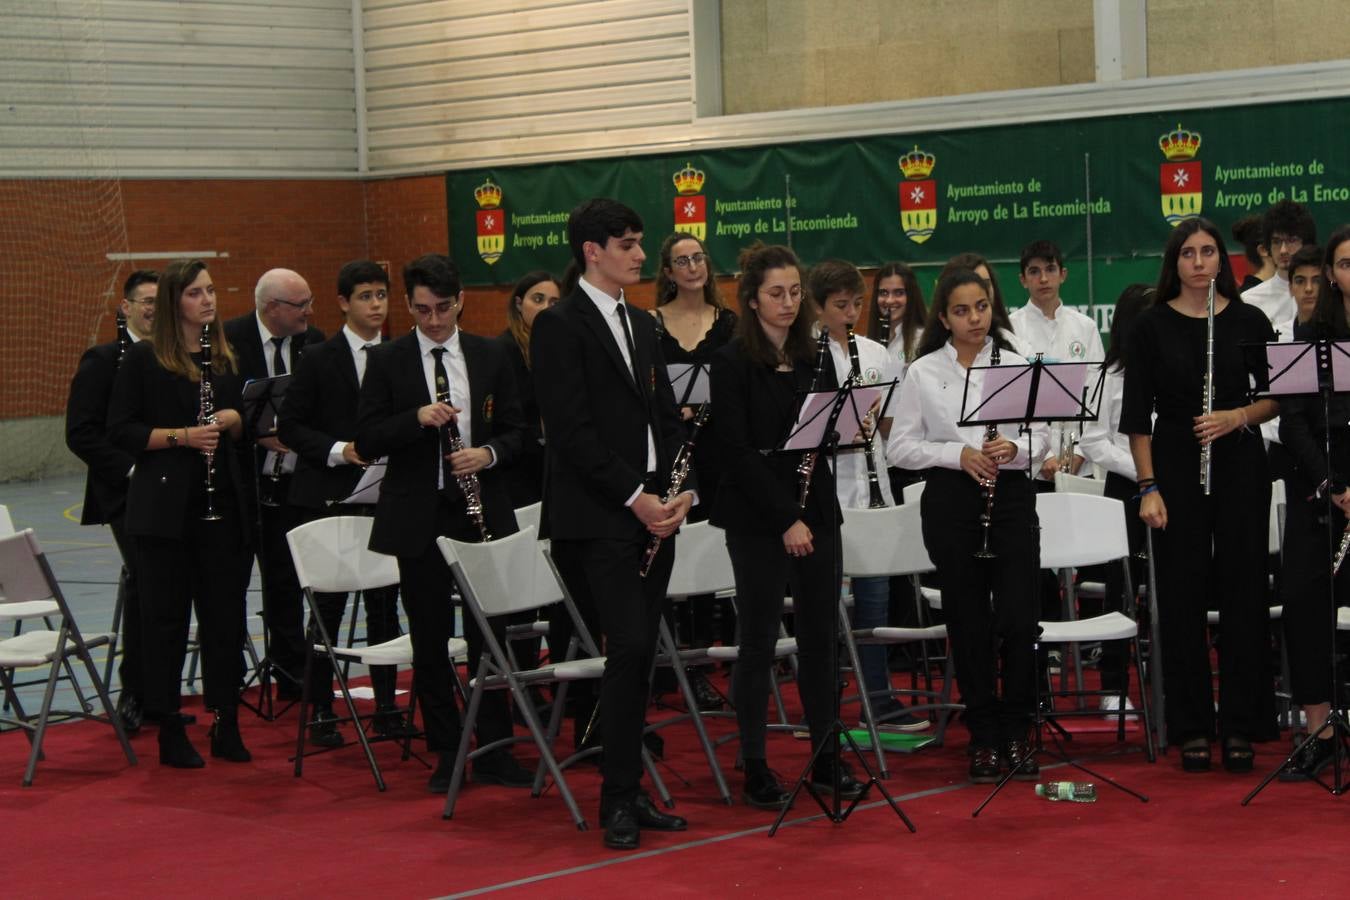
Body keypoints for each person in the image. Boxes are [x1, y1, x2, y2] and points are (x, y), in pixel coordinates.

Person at [530, 199, 693, 851]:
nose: (636, 252)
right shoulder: (559, 325)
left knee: (641, 652)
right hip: (599, 516)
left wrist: (680, 491)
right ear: (591, 250)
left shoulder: (643, 324)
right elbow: (570, 432)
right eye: (626, 243)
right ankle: (617, 799)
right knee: (626, 647)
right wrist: (636, 497)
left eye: (637, 241)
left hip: (653, 511)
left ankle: (630, 787)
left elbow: (669, 418)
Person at [355, 253, 533, 793]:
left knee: (490, 633)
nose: (434, 321)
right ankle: (447, 749)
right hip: (419, 512)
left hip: (480, 507)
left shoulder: (491, 354)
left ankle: (497, 748)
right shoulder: (388, 360)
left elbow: (520, 430)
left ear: (461, 301)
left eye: (444, 308)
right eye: (422, 310)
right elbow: (366, 438)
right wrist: (414, 419)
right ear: (408, 306)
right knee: (430, 638)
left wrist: (488, 454)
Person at [1120, 217, 1280, 773]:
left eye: (1208, 251)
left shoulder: (1249, 319)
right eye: (1188, 253)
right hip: (1176, 465)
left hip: (1238, 462)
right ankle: (1190, 724)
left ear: (1222, 259)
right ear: (1175, 262)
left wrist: (1237, 415)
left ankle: (1241, 723)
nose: (1199, 262)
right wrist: (1148, 486)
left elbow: (1276, 398)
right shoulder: (1150, 327)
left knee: (1243, 596)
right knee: (1182, 599)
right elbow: (1137, 418)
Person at [708, 243, 862, 812]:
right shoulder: (728, 364)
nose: (789, 303)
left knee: (822, 639)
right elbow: (737, 454)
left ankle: (826, 756)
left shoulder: (814, 357)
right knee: (759, 642)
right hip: (758, 519)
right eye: (777, 293)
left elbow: (818, 439)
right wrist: (785, 520)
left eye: (796, 293)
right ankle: (754, 765)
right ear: (752, 300)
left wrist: (848, 423)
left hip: (816, 512)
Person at [888, 268, 1048, 783]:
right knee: (969, 622)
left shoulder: (1018, 362)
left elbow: (1045, 436)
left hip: (1012, 498)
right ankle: (982, 736)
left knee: (1020, 619)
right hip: (954, 502)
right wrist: (958, 453)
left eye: (981, 306)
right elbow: (900, 447)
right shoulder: (923, 371)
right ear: (943, 316)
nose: (974, 318)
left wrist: (1016, 448)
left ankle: (1019, 729)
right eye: (961, 310)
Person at [107, 259, 252, 768]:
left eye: (210, 290)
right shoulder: (145, 360)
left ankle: (226, 721)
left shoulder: (226, 356)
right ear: (174, 302)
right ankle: (169, 725)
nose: (208, 300)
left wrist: (234, 419)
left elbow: (245, 419)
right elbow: (121, 431)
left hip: (223, 508)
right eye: (195, 293)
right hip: (164, 510)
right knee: (166, 621)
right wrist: (181, 437)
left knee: (224, 620)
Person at [278, 260, 409, 748]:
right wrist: (339, 450)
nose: (376, 306)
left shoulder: (399, 354)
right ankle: (320, 709)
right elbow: (290, 426)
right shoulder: (318, 357)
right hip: (329, 496)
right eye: (365, 297)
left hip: (383, 496)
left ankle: (388, 707)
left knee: (384, 606)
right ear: (343, 302)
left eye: (381, 296)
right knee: (328, 609)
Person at [811, 258, 928, 734]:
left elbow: (889, 424)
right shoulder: (804, 351)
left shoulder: (877, 353)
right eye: (840, 305)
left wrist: (864, 426)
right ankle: (821, 704)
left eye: (857, 303)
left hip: (870, 482)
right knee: (823, 605)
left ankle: (877, 698)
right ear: (817, 307)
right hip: (827, 489)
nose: (851, 313)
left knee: (875, 601)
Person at [224, 269, 325, 700]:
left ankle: (291, 670)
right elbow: (219, 407)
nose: (309, 311)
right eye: (300, 305)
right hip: (242, 480)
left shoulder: (314, 340)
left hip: (295, 480)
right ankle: (226, 676)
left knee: (288, 578)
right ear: (271, 308)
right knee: (233, 582)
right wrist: (254, 433)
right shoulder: (228, 341)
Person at [65, 269, 157, 733]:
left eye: (162, 300)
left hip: (172, 489)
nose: (153, 308)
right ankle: (136, 693)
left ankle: (162, 690)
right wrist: (131, 467)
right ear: (125, 307)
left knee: (172, 589)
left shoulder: (175, 357)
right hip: (125, 493)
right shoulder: (102, 360)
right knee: (145, 585)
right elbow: (80, 433)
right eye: (145, 301)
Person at [651, 231, 737, 711]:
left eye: (698, 257)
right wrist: (672, 411)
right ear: (667, 272)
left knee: (704, 557)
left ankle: (702, 669)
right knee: (661, 553)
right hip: (667, 454)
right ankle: (662, 668)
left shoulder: (729, 325)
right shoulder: (649, 325)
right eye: (681, 260)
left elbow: (743, 385)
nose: (692, 266)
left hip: (716, 453)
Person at [1277, 227, 1348, 780]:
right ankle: (1321, 730)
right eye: (1345, 264)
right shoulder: (1308, 331)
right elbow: (1294, 420)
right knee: (1305, 608)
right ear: (1331, 273)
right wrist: (1333, 483)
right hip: (1316, 491)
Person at [1077, 283, 1155, 716]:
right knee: (1120, 589)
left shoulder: (1170, 370)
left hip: (1169, 486)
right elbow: (1094, 442)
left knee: (1173, 587)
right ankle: (1113, 683)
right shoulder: (1107, 376)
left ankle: (1168, 682)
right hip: (1126, 489)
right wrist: (1143, 472)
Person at [1008, 239, 1105, 481]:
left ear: (1063, 275)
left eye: (1050, 270)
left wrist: (1081, 452)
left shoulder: (1086, 328)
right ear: (1022, 279)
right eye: (1034, 271)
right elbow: (1010, 403)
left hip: (1081, 465)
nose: (1043, 279)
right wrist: (1044, 456)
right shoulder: (1009, 330)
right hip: (1031, 467)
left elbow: (1098, 396)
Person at [496, 270, 561, 508]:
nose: (546, 307)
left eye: (554, 302)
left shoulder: (560, 347)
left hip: (553, 461)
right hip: (519, 467)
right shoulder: (502, 350)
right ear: (518, 303)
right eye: (538, 299)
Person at [1241, 200, 1318, 331]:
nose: (1283, 250)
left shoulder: (1327, 295)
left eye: (1291, 240)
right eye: (1276, 242)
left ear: (1306, 243)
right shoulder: (1249, 301)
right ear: (1267, 247)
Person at [867, 261, 926, 365]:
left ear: (911, 296)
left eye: (898, 293)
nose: (889, 300)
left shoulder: (924, 340)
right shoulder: (866, 343)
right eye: (883, 293)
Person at [1231, 215, 1275, 294]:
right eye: (1277, 242)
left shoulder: (1289, 290)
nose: (1284, 250)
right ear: (1264, 250)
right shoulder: (1246, 297)